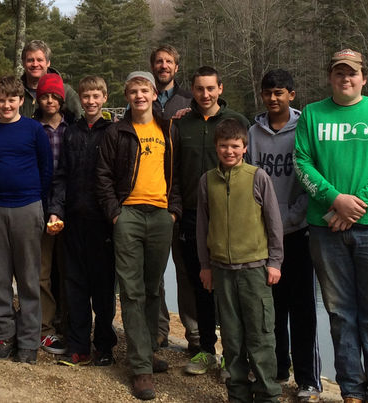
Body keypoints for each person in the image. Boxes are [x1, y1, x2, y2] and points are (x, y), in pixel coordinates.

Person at [294, 49, 368, 403]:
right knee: (340, 314)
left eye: (352, 73)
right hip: (326, 231)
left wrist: (355, 205)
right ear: (331, 77)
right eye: (339, 73)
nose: (346, 78)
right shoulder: (312, 114)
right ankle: (352, 391)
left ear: (363, 77)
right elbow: (301, 161)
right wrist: (334, 199)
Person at [96, 71, 177, 400]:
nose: (140, 96)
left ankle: (145, 350)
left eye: (145, 90)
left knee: (152, 288)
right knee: (131, 291)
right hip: (128, 214)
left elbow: (178, 175)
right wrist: (115, 213)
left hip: (161, 216)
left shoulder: (167, 129)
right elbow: (102, 175)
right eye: (133, 91)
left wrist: (174, 212)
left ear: (154, 94)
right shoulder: (116, 131)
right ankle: (141, 368)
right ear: (127, 96)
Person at [247, 69, 322, 402]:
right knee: (271, 309)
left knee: (303, 308)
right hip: (262, 236)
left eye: (279, 92)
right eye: (267, 93)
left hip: (298, 232)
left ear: (292, 94)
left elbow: (314, 180)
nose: (272, 98)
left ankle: (308, 379)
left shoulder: (305, 129)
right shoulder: (253, 132)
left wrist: (289, 218)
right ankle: (278, 369)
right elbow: (247, 176)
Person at [197, 118, 284, 403]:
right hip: (222, 270)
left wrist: (275, 262)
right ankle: (238, 393)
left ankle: (267, 393)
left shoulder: (258, 177)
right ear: (216, 148)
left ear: (245, 148)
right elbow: (202, 227)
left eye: (235, 146)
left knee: (260, 335)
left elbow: (273, 223)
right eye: (224, 146)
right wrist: (206, 266)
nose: (229, 151)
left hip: (255, 269)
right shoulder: (207, 180)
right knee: (232, 339)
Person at [170, 66, 250, 375]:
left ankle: (233, 354)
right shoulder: (182, 124)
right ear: (191, 90)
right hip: (191, 216)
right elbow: (173, 170)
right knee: (201, 284)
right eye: (199, 89)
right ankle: (206, 349)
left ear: (220, 88)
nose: (205, 94)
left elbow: (250, 173)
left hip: (230, 218)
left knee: (231, 290)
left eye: (210, 89)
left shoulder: (237, 123)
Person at [0, 75, 53, 365]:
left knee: (29, 276)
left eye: (12, 99)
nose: (6, 105)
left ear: (22, 101)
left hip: (28, 206)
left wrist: (37, 201)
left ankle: (28, 340)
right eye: (2, 99)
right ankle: (3, 334)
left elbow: (45, 168)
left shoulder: (34, 130)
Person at [48, 75, 117, 367]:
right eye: (86, 96)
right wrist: (57, 210)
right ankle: (79, 345)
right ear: (81, 98)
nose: (90, 101)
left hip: (103, 221)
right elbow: (62, 175)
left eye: (96, 96)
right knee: (74, 285)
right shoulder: (72, 132)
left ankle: (104, 345)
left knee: (103, 287)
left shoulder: (113, 132)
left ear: (104, 98)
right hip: (74, 218)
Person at [149, 44, 199, 353]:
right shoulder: (141, 98)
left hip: (181, 197)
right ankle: (158, 332)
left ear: (176, 68)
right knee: (154, 272)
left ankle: (195, 336)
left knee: (187, 271)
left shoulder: (189, 103)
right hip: (149, 196)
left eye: (169, 62)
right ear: (152, 66)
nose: (163, 65)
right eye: (158, 61)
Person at [34, 72, 72, 355]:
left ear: (62, 99)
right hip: (39, 204)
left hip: (70, 206)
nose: (50, 101)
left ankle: (70, 324)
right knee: (41, 270)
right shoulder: (33, 128)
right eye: (45, 96)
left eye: (54, 97)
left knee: (68, 270)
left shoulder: (72, 129)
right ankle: (43, 326)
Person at [19, 40, 81, 121]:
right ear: (23, 63)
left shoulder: (66, 92)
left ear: (48, 63)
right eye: (30, 60)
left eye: (39, 60)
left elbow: (79, 122)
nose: (35, 64)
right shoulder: (15, 91)